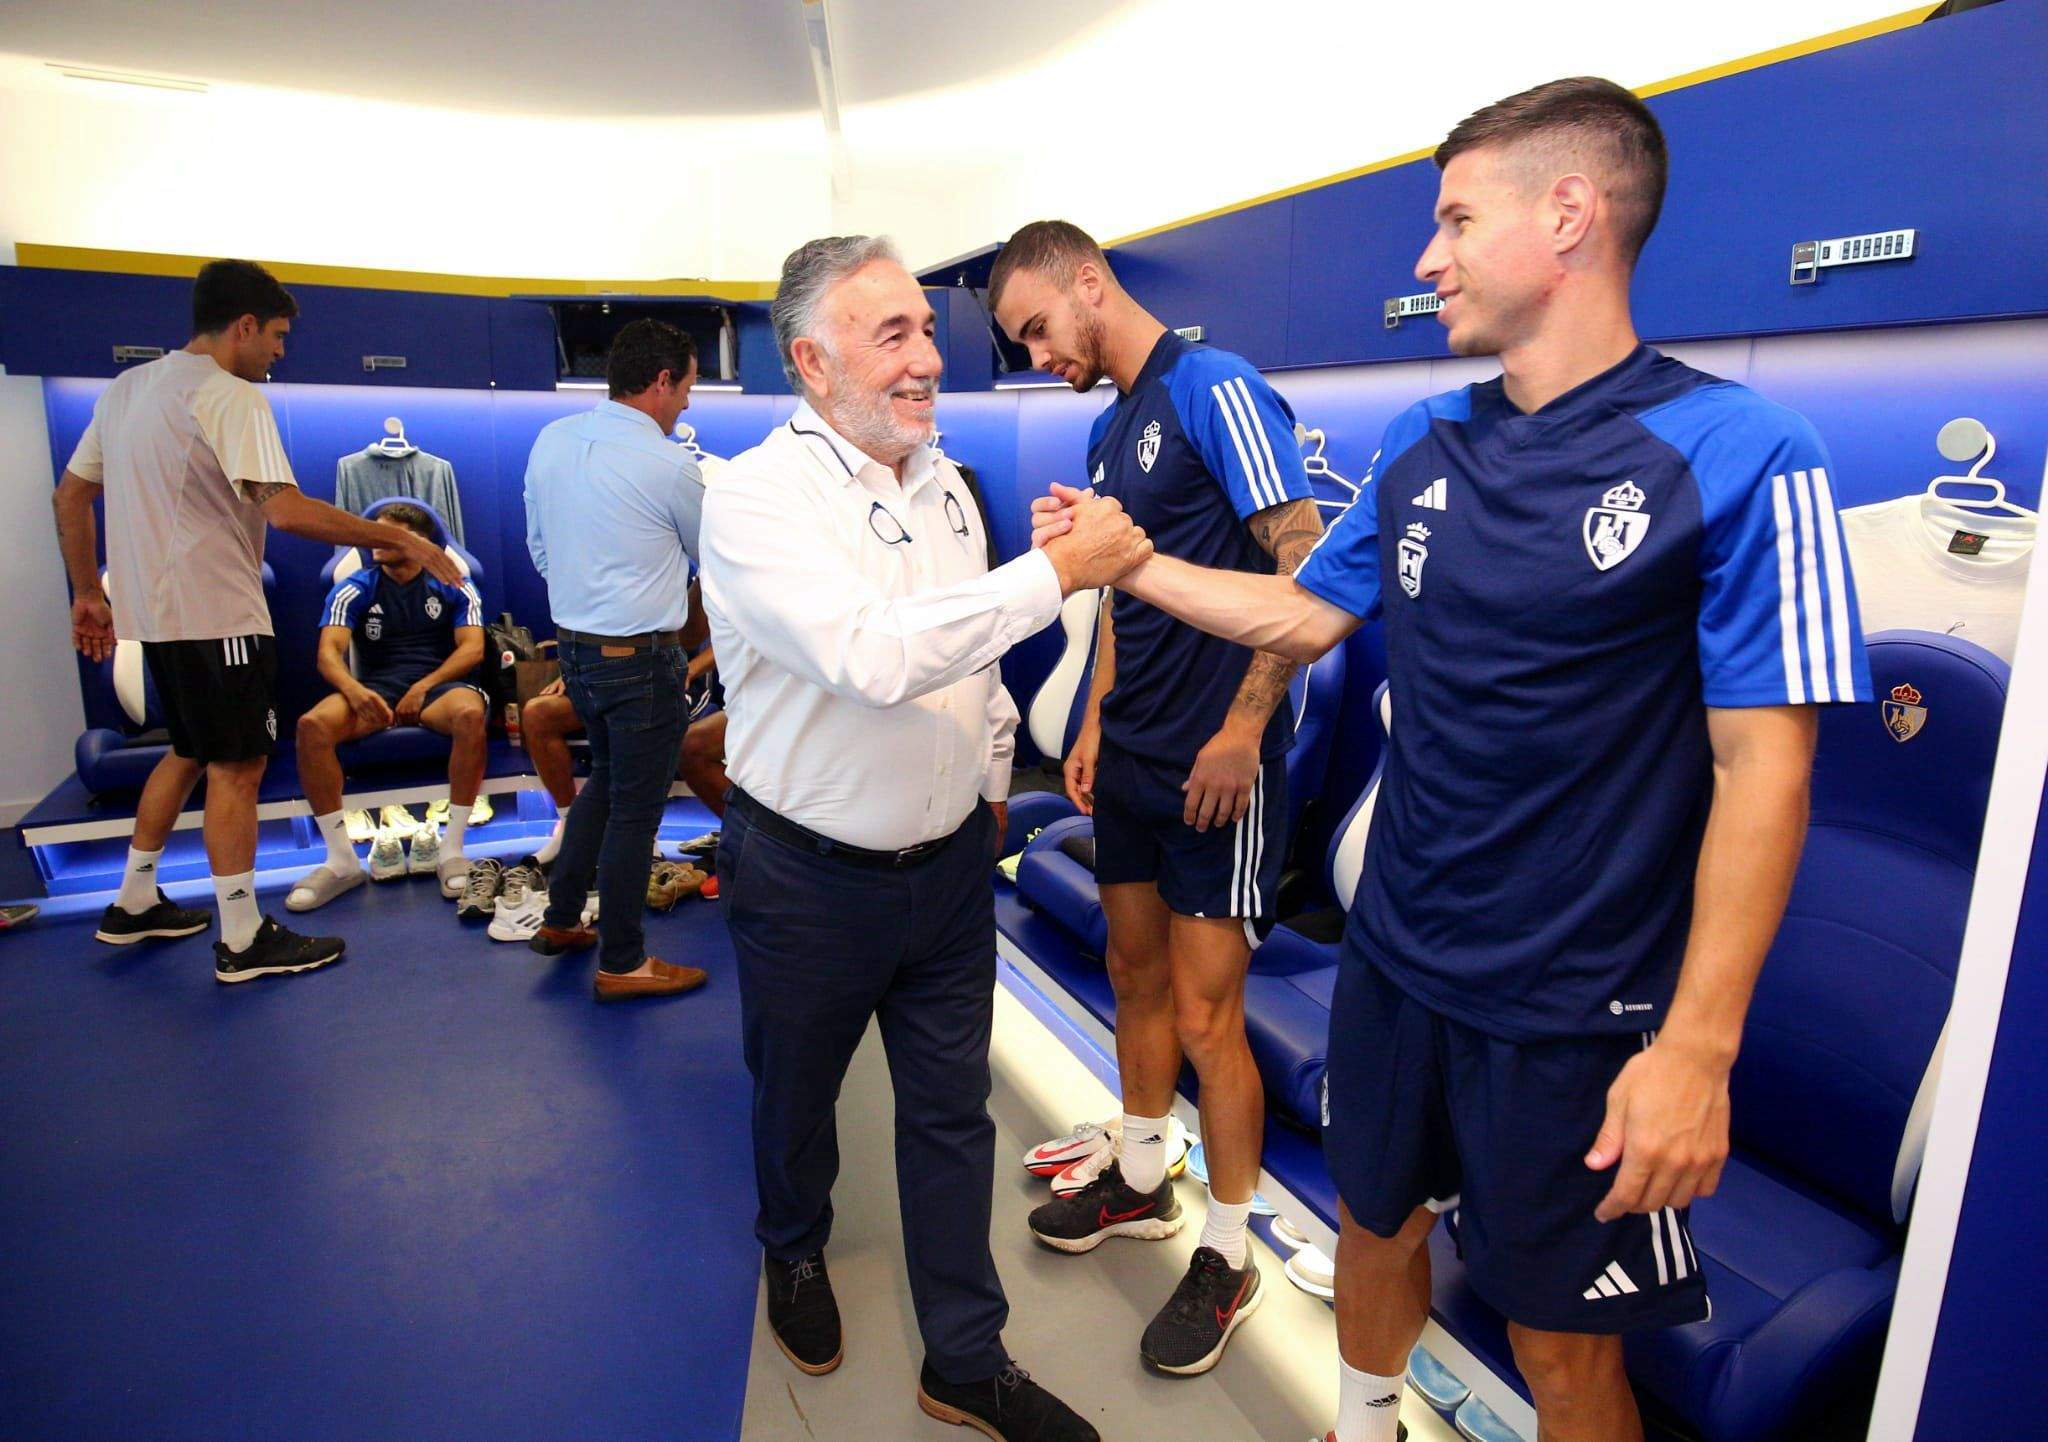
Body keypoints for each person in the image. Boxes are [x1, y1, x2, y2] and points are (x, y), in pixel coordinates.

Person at [1032, 78, 1869, 1442]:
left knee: (1558, 1344)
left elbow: (1765, 773)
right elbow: (1304, 614)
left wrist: (1700, 1050)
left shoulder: (1744, 452)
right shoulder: (1428, 441)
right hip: (1399, 966)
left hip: (1575, 1014)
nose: (1426, 258)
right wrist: (1138, 565)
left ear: (1569, 216)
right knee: (1373, 1229)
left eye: (1454, 220)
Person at [698, 235, 1149, 1442]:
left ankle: (964, 1354)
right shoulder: (752, 501)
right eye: (888, 333)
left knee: (951, 1113)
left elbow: (975, 665)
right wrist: (1058, 570)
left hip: (948, 869)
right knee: (794, 1094)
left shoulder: (944, 481)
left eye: (924, 330)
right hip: (806, 878)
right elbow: (873, 656)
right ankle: (793, 1247)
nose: (923, 358)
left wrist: (993, 778)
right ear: (809, 359)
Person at [989, 220, 1325, 1376]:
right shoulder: (1106, 424)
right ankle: (1140, 1175)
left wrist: (1244, 726)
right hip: (1129, 754)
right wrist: (1088, 720)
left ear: (1089, 284)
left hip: (1215, 768)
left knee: (1204, 1014)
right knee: (1130, 973)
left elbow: (1304, 559)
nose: (1037, 353)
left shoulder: (1213, 386)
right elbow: (1127, 594)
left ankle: (1229, 1254)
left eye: (1039, 326)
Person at [51, 258, 463, 984]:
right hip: (218, 614)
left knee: (189, 752)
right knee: (237, 767)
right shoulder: (230, 397)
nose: (279, 351)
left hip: (156, 614)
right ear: (242, 326)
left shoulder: (127, 390)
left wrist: (89, 592)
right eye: (275, 335)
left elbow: (70, 496)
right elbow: (286, 509)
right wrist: (404, 537)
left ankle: (134, 900)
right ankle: (243, 937)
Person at [522, 318, 707, 1001]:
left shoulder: (552, 440)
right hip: (641, 660)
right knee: (636, 811)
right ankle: (623, 962)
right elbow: (714, 559)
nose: (688, 401)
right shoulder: (670, 463)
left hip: (577, 652)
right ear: (661, 381)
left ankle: (563, 918)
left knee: (604, 785)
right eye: (687, 386)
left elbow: (540, 547)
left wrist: (587, 597)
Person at [286, 502, 489, 910]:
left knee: (470, 715)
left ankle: (452, 850)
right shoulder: (355, 586)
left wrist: (424, 686)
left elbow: (473, 648)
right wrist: (354, 690)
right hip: (376, 690)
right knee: (312, 725)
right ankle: (341, 860)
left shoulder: (453, 584)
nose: (375, 541)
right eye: (374, 532)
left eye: (388, 533)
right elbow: (328, 654)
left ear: (418, 542)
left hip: (440, 689)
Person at [522, 580, 731, 869]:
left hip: (668, 676)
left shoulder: (679, 562)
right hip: (606, 677)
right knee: (538, 715)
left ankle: (646, 836)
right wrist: (575, 671)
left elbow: (731, 636)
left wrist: (690, 669)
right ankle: (573, 830)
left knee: (642, 716)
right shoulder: (598, 568)